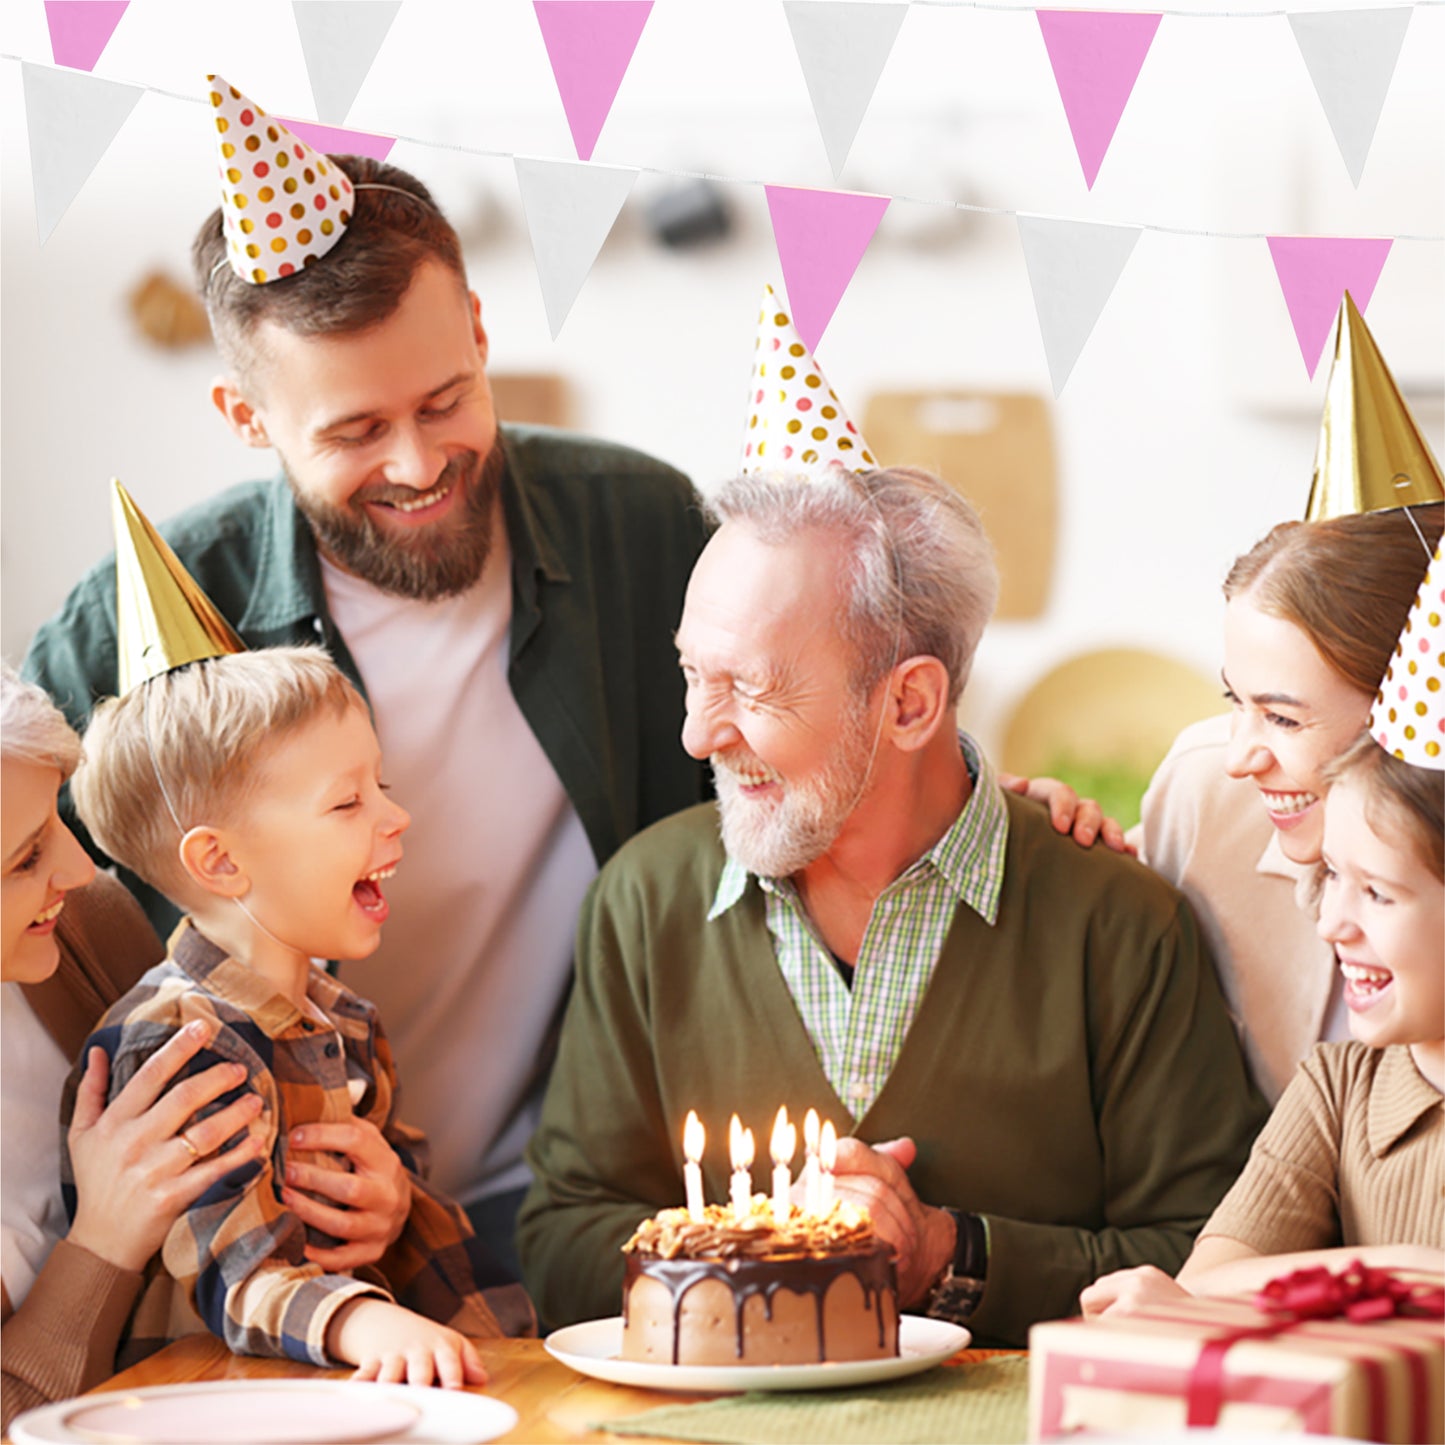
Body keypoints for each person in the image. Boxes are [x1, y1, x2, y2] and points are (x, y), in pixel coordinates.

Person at [23, 82, 711, 1275]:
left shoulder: (638, 526)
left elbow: (806, 742)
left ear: (482, 332)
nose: (416, 461)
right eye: (352, 432)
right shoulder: (138, 620)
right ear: (246, 413)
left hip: (576, 1202)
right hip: (273, 1234)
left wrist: (982, 800)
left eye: (445, 400)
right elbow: (32, 895)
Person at [515, 465, 1266, 1347]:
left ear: (908, 702)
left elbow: (1209, 1258)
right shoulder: (641, 902)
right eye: (692, 671)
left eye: (750, 688)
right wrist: (774, 1263)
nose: (696, 731)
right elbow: (559, 1240)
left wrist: (951, 1255)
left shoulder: (1119, 924)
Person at [66, 644, 502, 1382]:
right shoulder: (176, 1042)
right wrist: (360, 1319)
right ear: (220, 862)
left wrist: (508, 1346)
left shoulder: (348, 1021)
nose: (396, 814)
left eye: (381, 783)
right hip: (204, 1412)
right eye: (347, 801)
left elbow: (417, 1241)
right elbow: (234, 1269)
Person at [1082, 730, 1444, 1316]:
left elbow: (1220, 1295)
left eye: (1376, 893)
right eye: (1332, 875)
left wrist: (1357, 1277)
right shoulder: (1338, 1089)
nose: (1330, 923)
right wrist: (1409, 1272)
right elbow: (1204, 1283)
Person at [1, 666, 262, 1431]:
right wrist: (103, 1244)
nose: (78, 870)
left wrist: (372, 1199)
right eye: (24, 858)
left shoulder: (86, 925)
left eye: (58, 821)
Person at [1136, 502, 1442, 1104]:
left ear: (1409, 705)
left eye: (1281, 717)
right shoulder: (1205, 798)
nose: (1240, 757)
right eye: (1235, 700)